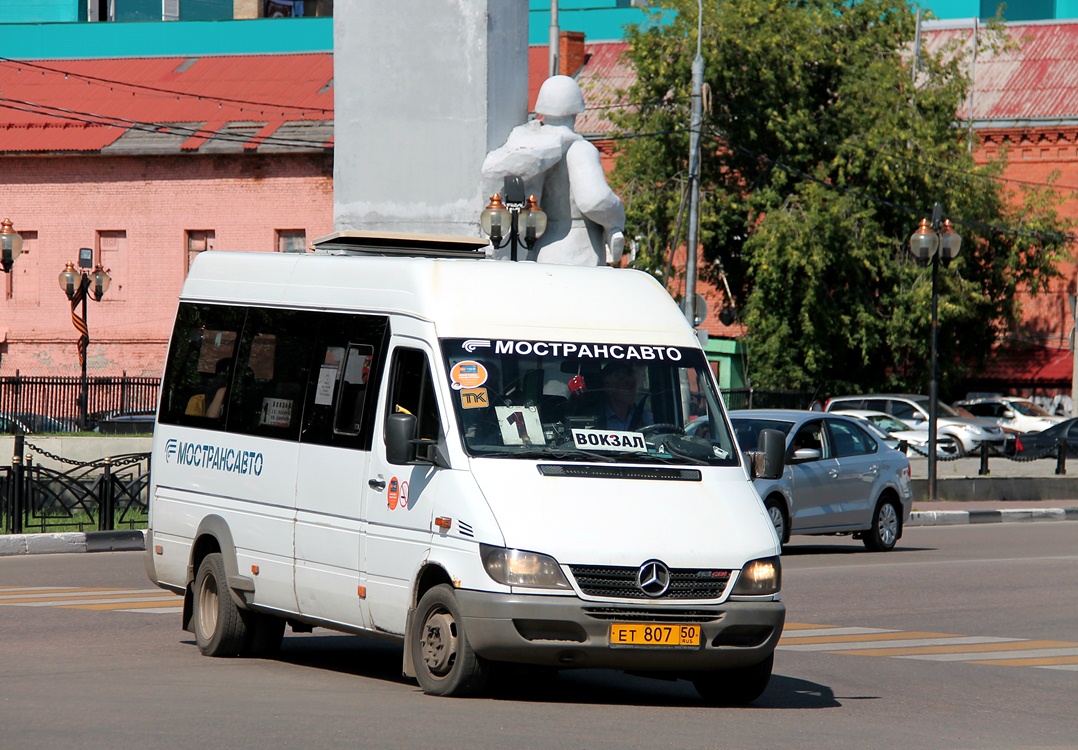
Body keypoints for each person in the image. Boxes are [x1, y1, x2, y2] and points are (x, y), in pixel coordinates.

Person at [481, 75, 626, 266]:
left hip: (540, 248)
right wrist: (616, 220)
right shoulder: (580, 149)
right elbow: (595, 200)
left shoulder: (529, 141)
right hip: (579, 249)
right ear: (576, 109)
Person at [595, 360, 652, 431]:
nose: (632, 387)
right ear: (609, 388)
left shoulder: (641, 416)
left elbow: (657, 438)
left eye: (633, 382)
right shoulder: (594, 418)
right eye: (625, 382)